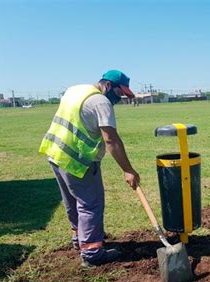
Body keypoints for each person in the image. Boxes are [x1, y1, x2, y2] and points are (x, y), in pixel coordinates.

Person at [39, 70, 140, 266]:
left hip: (56, 153)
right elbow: (110, 139)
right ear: (108, 85)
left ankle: (80, 239)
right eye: (119, 94)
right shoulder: (101, 102)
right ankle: (92, 253)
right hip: (79, 160)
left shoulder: (75, 90)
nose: (118, 99)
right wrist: (128, 170)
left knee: (72, 200)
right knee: (90, 204)